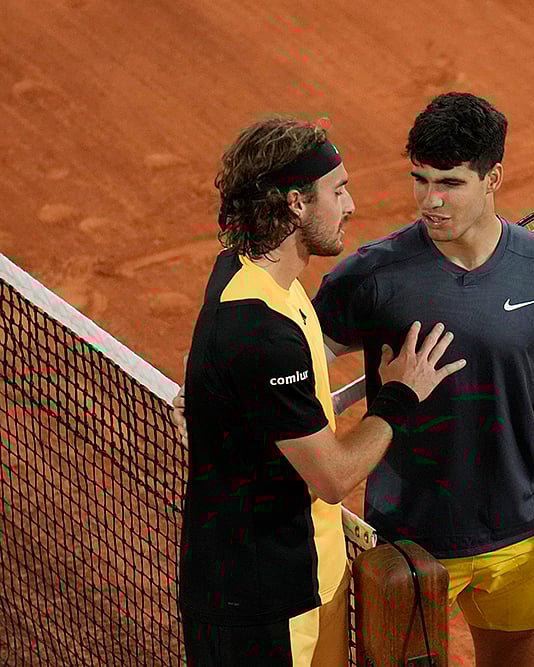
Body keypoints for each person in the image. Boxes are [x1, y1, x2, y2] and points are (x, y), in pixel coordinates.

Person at [312, 92, 534, 666]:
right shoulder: (371, 277)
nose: (430, 201)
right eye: (421, 180)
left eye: (451, 183)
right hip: (411, 546)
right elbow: (294, 364)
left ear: (494, 178)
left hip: (522, 534)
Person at [173, 116, 466, 667]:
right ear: (295, 205)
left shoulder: (263, 281)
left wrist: (363, 387)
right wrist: (398, 396)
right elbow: (332, 477)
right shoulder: (260, 329)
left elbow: (274, 415)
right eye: (337, 191)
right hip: (264, 603)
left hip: (313, 575)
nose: (351, 205)